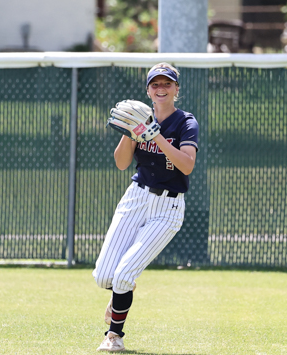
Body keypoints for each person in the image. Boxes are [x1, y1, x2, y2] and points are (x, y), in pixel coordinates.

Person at [93, 62, 199, 352]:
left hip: (168, 208)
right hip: (136, 199)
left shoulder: (185, 122)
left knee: (124, 275)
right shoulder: (139, 117)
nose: (161, 88)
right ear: (148, 90)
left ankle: (114, 336)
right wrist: (132, 130)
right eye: (156, 84)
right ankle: (122, 291)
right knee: (104, 276)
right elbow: (121, 163)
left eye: (167, 84)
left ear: (177, 89)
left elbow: (187, 166)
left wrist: (155, 135)